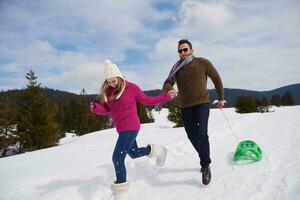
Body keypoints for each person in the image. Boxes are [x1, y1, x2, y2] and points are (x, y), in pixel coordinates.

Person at [90, 59, 177, 200]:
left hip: (131, 127)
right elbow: (107, 110)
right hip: (121, 129)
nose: (111, 84)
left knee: (117, 157)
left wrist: (166, 97)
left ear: (119, 77)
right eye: (109, 81)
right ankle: (158, 150)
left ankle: (120, 192)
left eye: (114, 81)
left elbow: (147, 101)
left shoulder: (132, 88)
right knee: (134, 153)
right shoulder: (109, 91)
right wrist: (96, 108)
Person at [162, 39, 224, 185]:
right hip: (186, 106)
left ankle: (205, 165)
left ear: (191, 50)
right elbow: (167, 82)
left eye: (185, 50)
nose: (182, 53)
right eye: (180, 51)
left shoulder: (203, 63)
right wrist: (169, 89)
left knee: (202, 134)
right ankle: (204, 155)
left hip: (202, 103)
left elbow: (216, 78)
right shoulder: (176, 68)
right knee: (191, 135)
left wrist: (221, 97)